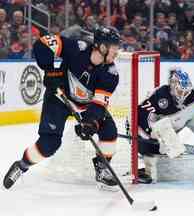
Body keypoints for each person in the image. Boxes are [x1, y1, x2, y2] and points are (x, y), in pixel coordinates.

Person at [3, 26, 121, 191]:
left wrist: (90, 123)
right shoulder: (76, 48)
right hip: (58, 98)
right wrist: (50, 72)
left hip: (85, 106)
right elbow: (42, 44)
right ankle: (22, 165)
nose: (117, 52)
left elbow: (98, 104)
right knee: (49, 144)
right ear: (102, 47)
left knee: (109, 132)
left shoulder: (111, 74)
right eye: (114, 47)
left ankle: (102, 170)